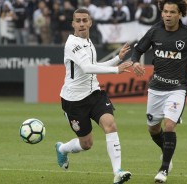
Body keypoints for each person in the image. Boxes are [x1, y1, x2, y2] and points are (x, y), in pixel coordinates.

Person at [131, 0, 187, 183]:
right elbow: (138, 50)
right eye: (165, 11)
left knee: (170, 125)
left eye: (172, 12)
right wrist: (134, 62)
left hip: (178, 88)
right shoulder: (154, 31)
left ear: (180, 14)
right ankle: (167, 154)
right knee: (153, 129)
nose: (167, 15)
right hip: (156, 88)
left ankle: (163, 170)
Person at [55, 8, 132, 184]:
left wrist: (116, 59)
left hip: (94, 94)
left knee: (110, 125)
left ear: (90, 22)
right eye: (78, 21)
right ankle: (63, 148)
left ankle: (118, 172)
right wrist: (115, 70)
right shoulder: (72, 44)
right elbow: (87, 68)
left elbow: (94, 65)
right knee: (86, 144)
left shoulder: (88, 42)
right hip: (74, 100)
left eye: (84, 20)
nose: (81, 24)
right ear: (73, 24)